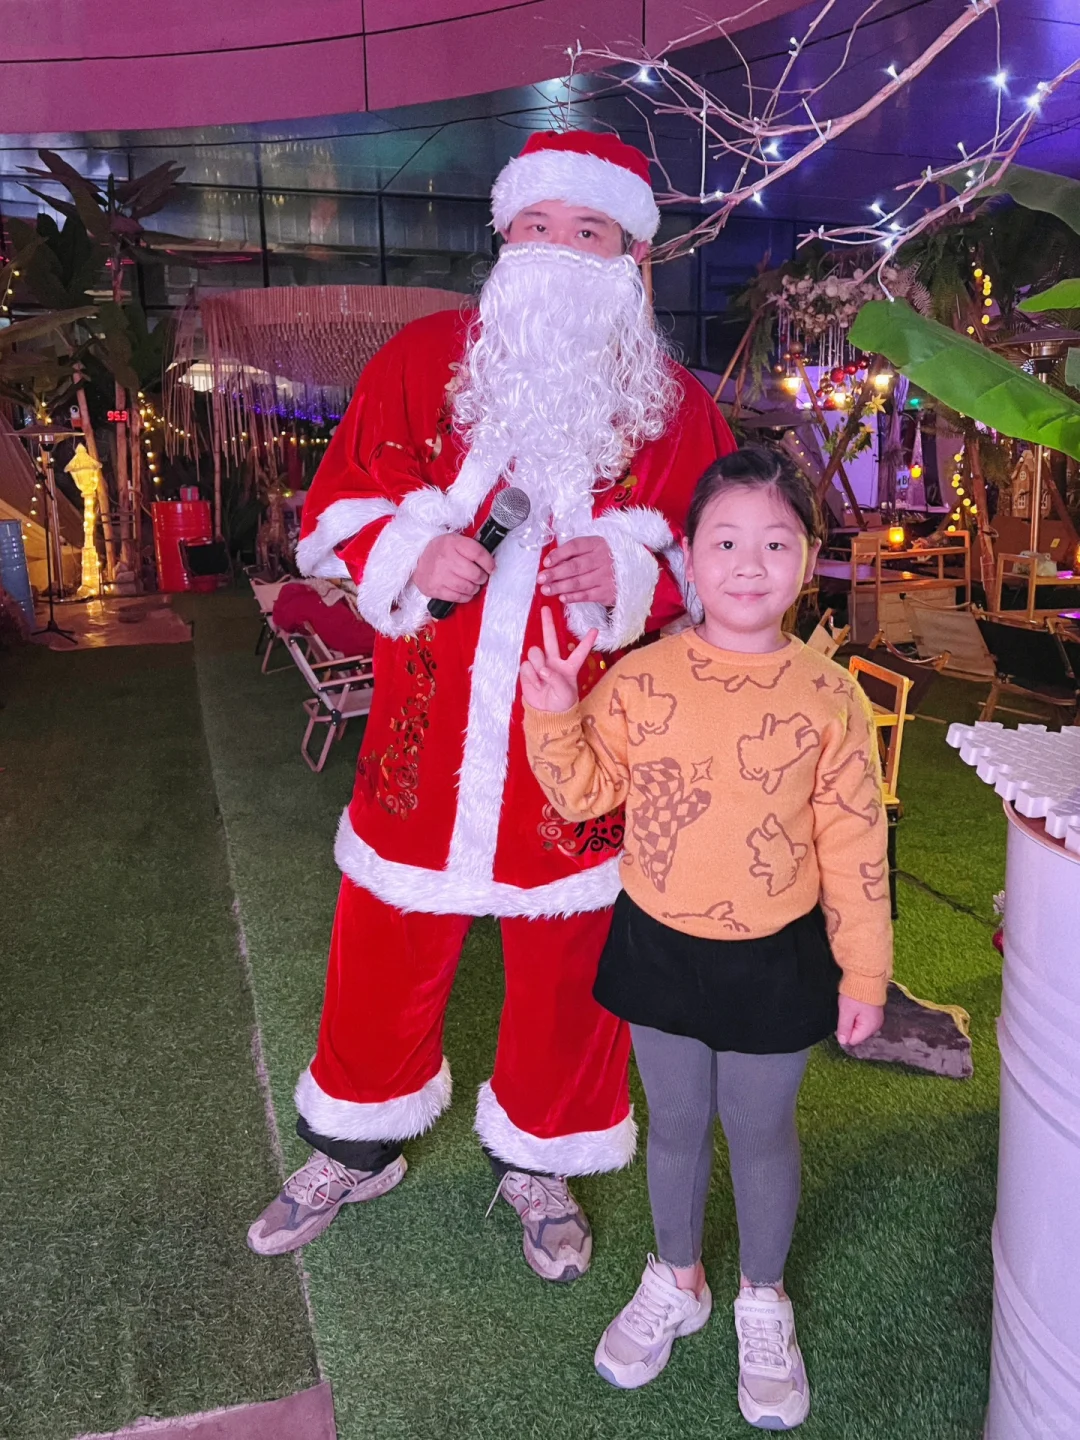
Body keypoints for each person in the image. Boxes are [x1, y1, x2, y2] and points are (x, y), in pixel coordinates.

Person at [246, 128, 736, 1281]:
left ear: (630, 255)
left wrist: (633, 573)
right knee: (383, 942)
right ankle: (351, 1146)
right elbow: (337, 506)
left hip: (581, 750)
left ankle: (542, 1161)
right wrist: (410, 554)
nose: (559, 247)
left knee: (572, 962)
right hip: (424, 742)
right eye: (538, 224)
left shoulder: (672, 406)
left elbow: (725, 557)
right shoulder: (422, 358)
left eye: (588, 229)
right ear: (506, 237)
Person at [520, 444, 891, 1429]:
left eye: (775, 542)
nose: (748, 563)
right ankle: (676, 1279)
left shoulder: (829, 698)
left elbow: (856, 842)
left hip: (777, 958)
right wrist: (554, 715)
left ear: (806, 560)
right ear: (687, 557)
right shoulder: (641, 679)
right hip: (661, 946)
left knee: (760, 1130)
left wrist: (866, 970)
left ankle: (763, 1297)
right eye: (724, 541)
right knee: (677, 1123)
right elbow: (585, 792)